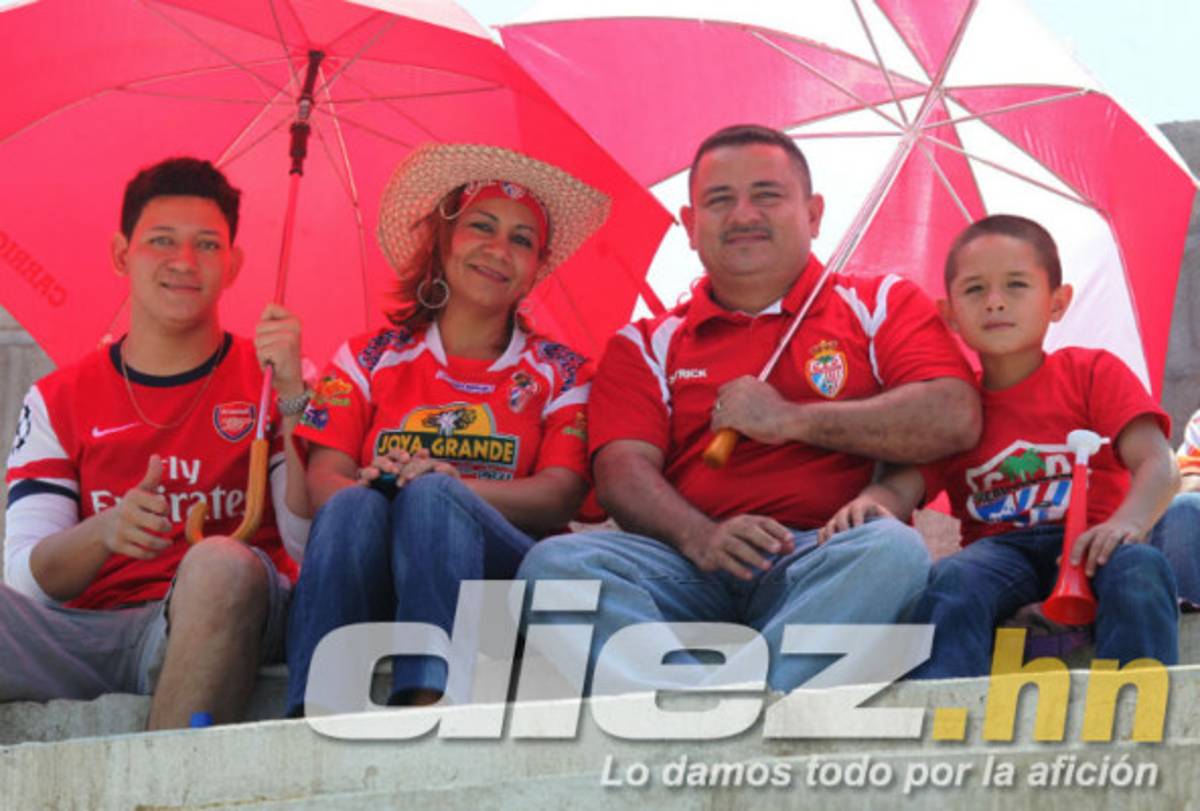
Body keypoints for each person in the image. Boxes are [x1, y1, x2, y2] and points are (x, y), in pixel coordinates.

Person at [516, 124, 981, 693]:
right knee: (555, 569)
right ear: (690, 227)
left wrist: (789, 419)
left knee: (891, 550)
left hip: (826, 560)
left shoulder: (880, 303)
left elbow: (953, 415)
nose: (742, 215)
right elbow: (620, 472)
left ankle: (718, 717)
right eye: (719, 200)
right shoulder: (646, 342)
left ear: (813, 214)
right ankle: (722, 711)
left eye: (767, 195)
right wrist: (702, 538)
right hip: (683, 565)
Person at [284, 143, 610, 714]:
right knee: (353, 508)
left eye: (521, 240)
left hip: (499, 592)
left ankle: (428, 702)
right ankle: (314, 716)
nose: (498, 250)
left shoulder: (562, 371)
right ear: (443, 240)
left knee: (436, 497)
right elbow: (322, 481)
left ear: (537, 267)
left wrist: (445, 486)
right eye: (481, 227)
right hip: (375, 569)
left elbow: (563, 492)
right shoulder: (368, 357)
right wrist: (377, 487)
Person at [1, 157, 310, 727]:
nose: (184, 263)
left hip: (225, 616)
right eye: (161, 241)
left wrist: (294, 397)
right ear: (123, 254)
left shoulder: (275, 376)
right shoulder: (57, 397)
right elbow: (24, 577)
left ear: (235, 263)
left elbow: (309, 541)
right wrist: (105, 532)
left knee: (218, 564)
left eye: (208, 246)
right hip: (85, 633)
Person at [822, 214, 1181, 678]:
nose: (994, 302)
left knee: (1141, 569)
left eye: (1016, 285)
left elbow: (1159, 463)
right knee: (952, 579)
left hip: (1094, 543)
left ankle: (1140, 720)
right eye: (974, 290)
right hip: (1000, 552)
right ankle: (945, 721)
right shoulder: (956, 407)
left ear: (1057, 302)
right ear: (948, 313)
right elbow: (904, 485)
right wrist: (872, 502)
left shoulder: (1091, 372)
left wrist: (1127, 523)